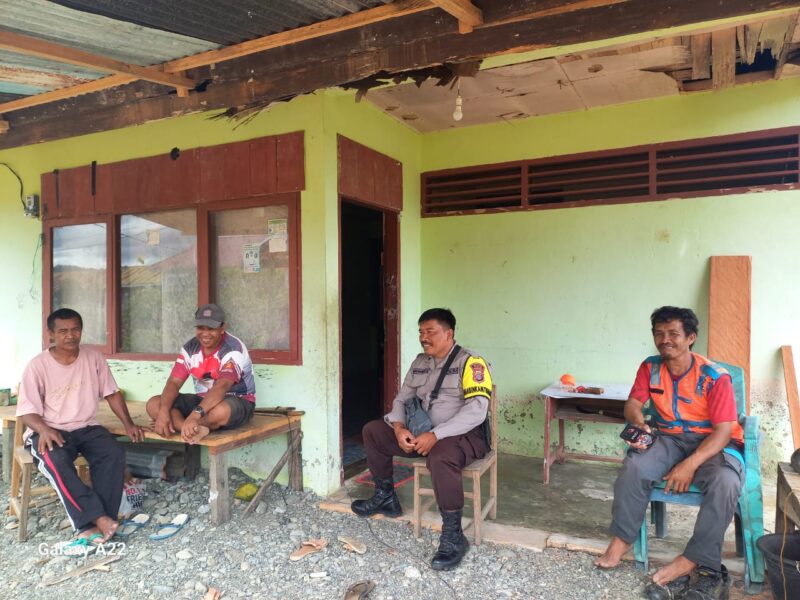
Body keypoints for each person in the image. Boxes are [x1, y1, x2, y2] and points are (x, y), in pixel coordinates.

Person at [595, 306, 744, 600]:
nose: (665, 340)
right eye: (659, 333)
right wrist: (639, 424)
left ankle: (692, 558)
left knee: (726, 482)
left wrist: (690, 464)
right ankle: (622, 539)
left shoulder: (715, 377)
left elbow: (724, 431)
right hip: (668, 438)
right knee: (634, 467)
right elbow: (633, 404)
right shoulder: (650, 368)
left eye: (673, 333)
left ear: (691, 338)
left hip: (714, 442)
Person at [350, 308, 493, 571]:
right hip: (422, 431)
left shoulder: (471, 363)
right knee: (373, 430)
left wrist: (436, 435)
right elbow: (401, 400)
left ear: (449, 334)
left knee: (441, 456)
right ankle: (385, 497)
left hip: (462, 436)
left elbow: (476, 411)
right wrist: (398, 428)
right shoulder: (420, 362)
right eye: (420, 332)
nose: (423, 338)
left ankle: (453, 535)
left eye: (430, 332)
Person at [16, 308, 144, 543]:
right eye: (63, 331)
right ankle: (92, 521)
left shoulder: (93, 358)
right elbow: (26, 411)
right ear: (51, 334)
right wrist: (43, 429)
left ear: (81, 331)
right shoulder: (37, 366)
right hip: (50, 429)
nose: (70, 335)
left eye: (75, 330)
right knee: (56, 461)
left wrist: (128, 423)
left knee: (113, 452)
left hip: (86, 426)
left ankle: (103, 518)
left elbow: (112, 393)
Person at [146, 303, 256, 444]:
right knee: (154, 404)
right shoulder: (190, 348)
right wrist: (163, 412)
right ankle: (194, 429)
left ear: (222, 328)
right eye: (200, 328)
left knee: (222, 411)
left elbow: (222, 386)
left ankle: (185, 426)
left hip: (237, 400)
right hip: (202, 401)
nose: (205, 333)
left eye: (211, 329)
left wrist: (195, 416)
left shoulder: (233, 348)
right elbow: (174, 382)